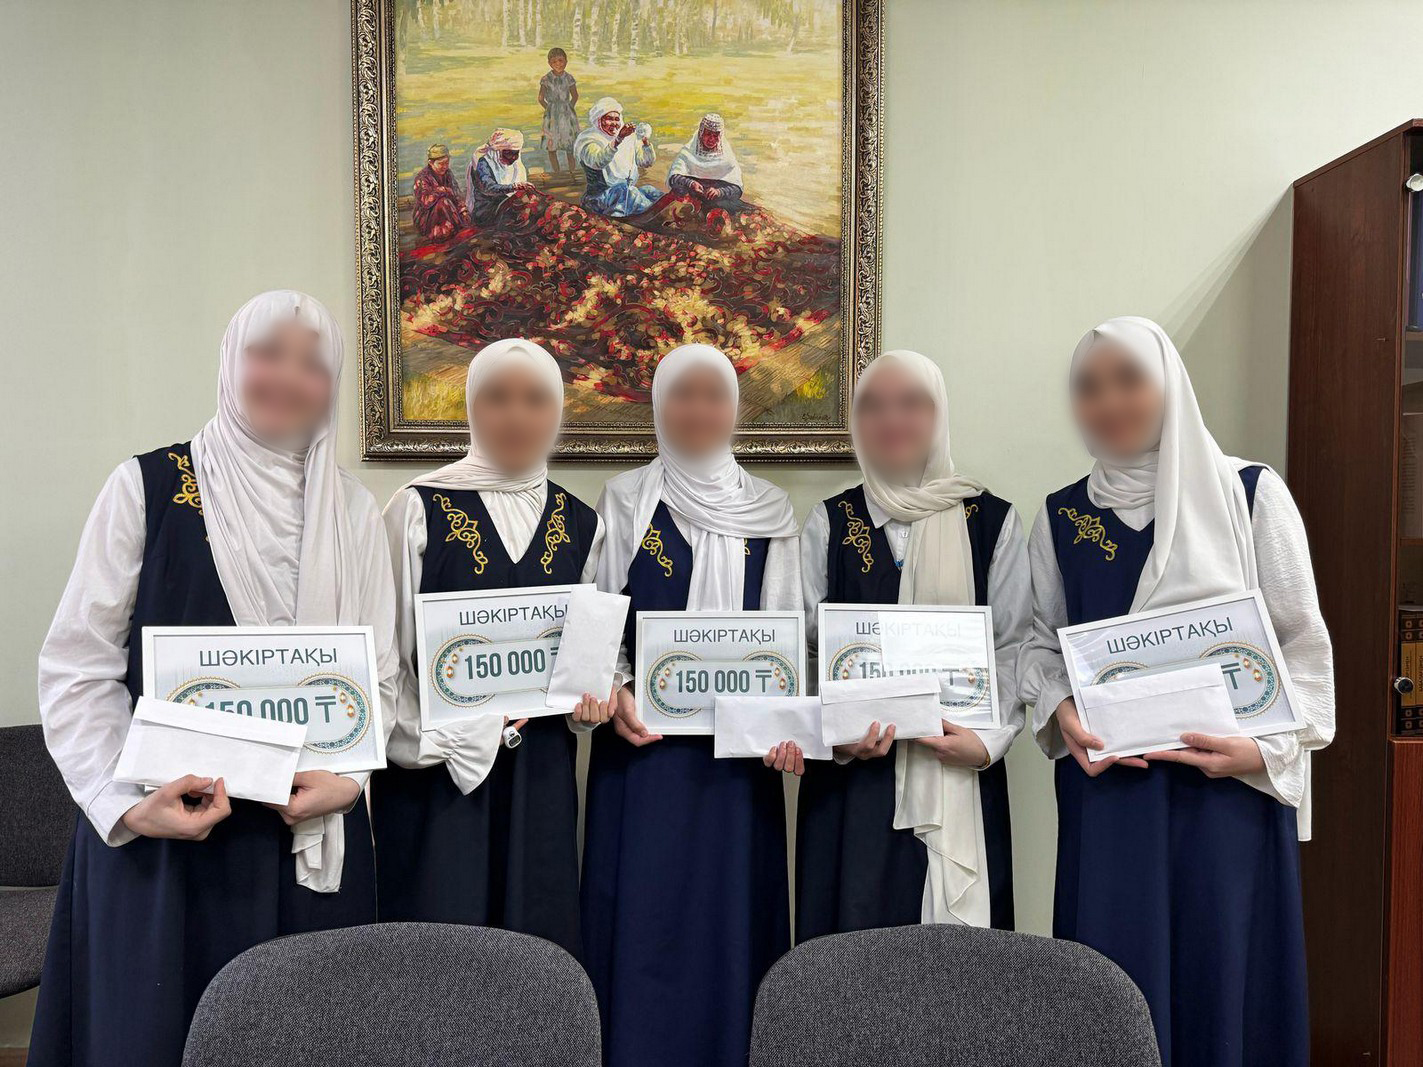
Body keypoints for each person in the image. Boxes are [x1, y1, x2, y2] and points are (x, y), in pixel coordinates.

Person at [29, 291, 399, 1067]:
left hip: (304, 840)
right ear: (232, 360)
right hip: (165, 841)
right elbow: (78, 666)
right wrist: (127, 803)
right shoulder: (146, 487)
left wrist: (351, 779)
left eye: (312, 362)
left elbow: (379, 676)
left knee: (304, 1040)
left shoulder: (355, 511)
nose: (288, 376)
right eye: (268, 352)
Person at [1018, 316, 1335, 1067]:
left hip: (1223, 799)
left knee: (1221, 978)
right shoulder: (1062, 516)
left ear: (1170, 385)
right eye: (1088, 387)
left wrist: (1262, 750)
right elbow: (1040, 644)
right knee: (1111, 990)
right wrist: (1061, 712)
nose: (1109, 402)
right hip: (1111, 795)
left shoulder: (1248, 493)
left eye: (1129, 380)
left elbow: (1303, 648)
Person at [581, 343, 806, 1067]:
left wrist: (786, 722)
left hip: (738, 771)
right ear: (656, 405)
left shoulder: (771, 512)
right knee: (642, 925)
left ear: (735, 408)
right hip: (643, 760)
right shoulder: (624, 500)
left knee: (729, 925)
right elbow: (596, 623)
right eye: (682, 394)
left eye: (713, 395)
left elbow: (788, 634)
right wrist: (615, 688)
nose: (697, 410)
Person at [369, 338, 611, 958]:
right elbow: (385, 660)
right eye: (496, 398)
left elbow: (584, 663)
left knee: (534, 953)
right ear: (471, 407)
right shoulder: (418, 509)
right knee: (435, 951)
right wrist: (443, 742)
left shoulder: (583, 524)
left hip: (539, 778)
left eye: (536, 400)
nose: (516, 416)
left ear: (559, 412)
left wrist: (590, 704)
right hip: (435, 779)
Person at [797, 349, 1027, 938]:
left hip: (958, 769)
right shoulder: (829, 522)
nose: (891, 420)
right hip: (853, 780)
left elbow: (1014, 647)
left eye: (911, 404)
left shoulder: (991, 523)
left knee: (955, 963)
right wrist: (836, 732)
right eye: (872, 406)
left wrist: (986, 743)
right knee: (850, 957)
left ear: (939, 413)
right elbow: (807, 652)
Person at [573, 96, 660, 218]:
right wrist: (619, 139)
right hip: (599, 198)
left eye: (616, 119)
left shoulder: (628, 138)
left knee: (650, 191)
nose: (614, 123)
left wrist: (645, 143)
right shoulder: (589, 139)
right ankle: (654, 215)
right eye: (609, 119)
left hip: (624, 193)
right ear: (599, 120)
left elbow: (645, 162)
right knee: (626, 192)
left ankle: (662, 211)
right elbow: (598, 162)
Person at [667, 113, 744, 207]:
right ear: (701, 133)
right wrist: (691, 183)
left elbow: (737, 189)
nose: (711, 139)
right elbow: (673, 178)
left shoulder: (727, 159)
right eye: (708, 134)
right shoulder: (687, 153)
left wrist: (719, 192)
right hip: (689, 199)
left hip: (717, 203)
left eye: (716, 135)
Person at [465, 128, 533, 226]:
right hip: (488, 210)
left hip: (506, 204)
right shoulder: (483, 164)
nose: (513, 158)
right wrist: (514, 187)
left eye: (516, 154)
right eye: (508, 153)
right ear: (498, 151)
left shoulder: (516, 166)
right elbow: (489, 188)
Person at [413, 143, 468, 239]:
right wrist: (442, 190)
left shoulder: (448, 173)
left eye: (447, 163)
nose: (445, 166)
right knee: (443, 202)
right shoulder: (422, 178)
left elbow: (456, 193)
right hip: (427, 218)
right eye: (441, 164)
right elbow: (425, 201)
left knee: (462, 214)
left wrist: (463, 210)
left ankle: (455, 229)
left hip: (450, 212)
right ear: (431, 162)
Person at [538, 47, 579, 174]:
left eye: (561, 61)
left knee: (569, 145)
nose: (558, 64)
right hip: (552, 116)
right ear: (549, 63)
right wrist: (550, 109)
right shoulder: (546, 79)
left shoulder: (569, 78)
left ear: (566, 61)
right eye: (554, 62)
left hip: (566, 114)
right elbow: (540, 98)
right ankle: (557, 173)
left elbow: (575, 96)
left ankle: (572, 172)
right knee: (552, 145)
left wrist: (568, 108)